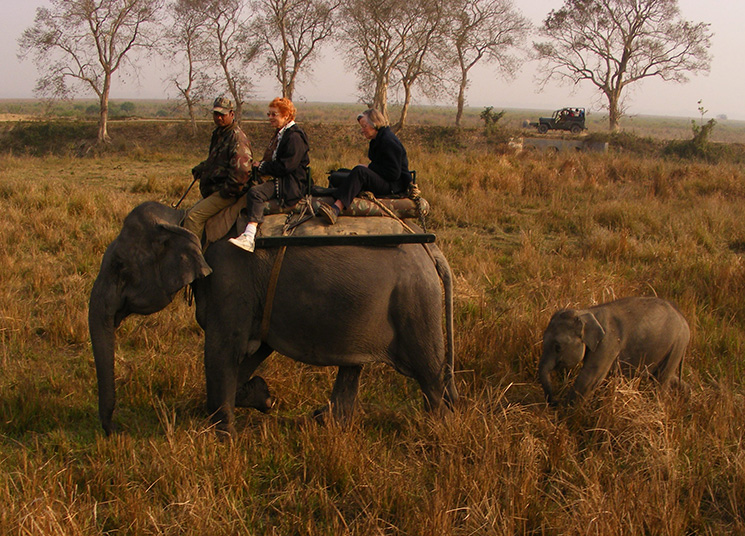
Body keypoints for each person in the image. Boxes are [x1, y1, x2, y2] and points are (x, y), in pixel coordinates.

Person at [229, 98, 310, 252]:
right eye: (269, 114)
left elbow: (287, 166)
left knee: (256, 193)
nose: (270, 118)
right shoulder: (282, 134)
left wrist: (263, 166)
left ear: (286, 116)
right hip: (282, 177)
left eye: (274, 115)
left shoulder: (294, 137)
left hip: (290, 183)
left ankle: (249, 235)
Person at [317, 109, 412, 225]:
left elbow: (393, 173)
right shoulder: (377, 139)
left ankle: (336, 209)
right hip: (385, 179)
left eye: (364, 126)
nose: (362, 130)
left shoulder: (388, 141)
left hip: (393, 186)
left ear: (375, 124)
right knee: (340, 173)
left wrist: (370, 168)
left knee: (359, 172)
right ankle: (330, 199)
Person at [183, 96, 253, 242]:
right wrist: (202, 168)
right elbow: (217, 159)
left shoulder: (236, 138)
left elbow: (242, 171)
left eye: (222, 114)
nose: (219, 118)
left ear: (231, 114)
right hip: (215, 188)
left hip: (227, 191)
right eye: (216, 114)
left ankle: (193, 259)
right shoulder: (220, 134)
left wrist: (226, 192)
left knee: (193, 217)